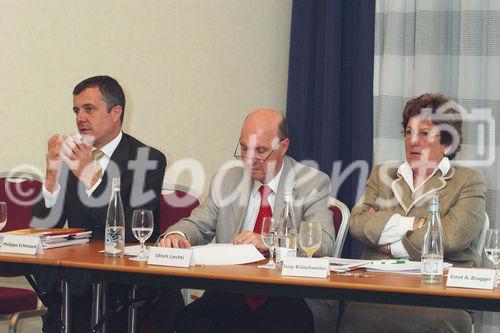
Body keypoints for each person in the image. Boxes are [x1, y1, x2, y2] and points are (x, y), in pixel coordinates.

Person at [159, 108, 337, 333]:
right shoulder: (227, 180)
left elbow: (324, 242)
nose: (250, 159)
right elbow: (197, 224)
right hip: (233, 291)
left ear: (283, 146)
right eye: (244, 148)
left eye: (260, 150)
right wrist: (178, 235)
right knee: (189, 320)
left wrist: (270, 241)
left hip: (290, 293)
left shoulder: (312, 183)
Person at [32, 75, 183, 333]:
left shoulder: (146, 159)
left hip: (124, 286)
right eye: (76, 110)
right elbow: (43, 227)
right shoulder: (72, 157)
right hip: (77, 284)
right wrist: (51, 177)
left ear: (116, 112)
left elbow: (136, 230)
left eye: (89, 109)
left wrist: (90, 178)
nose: (80, 118)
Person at [338, 93, 486, 333]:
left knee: (428, 323)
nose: (412, 141)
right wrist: (415, 224)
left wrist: (391, 244)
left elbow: (450, 237)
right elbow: (357, 223)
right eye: (408, 132)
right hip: (380, 288)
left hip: (441, 295)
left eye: (424, 133)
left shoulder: (468, 181)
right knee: (356, 316)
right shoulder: (382, 174)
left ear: (447, 143)